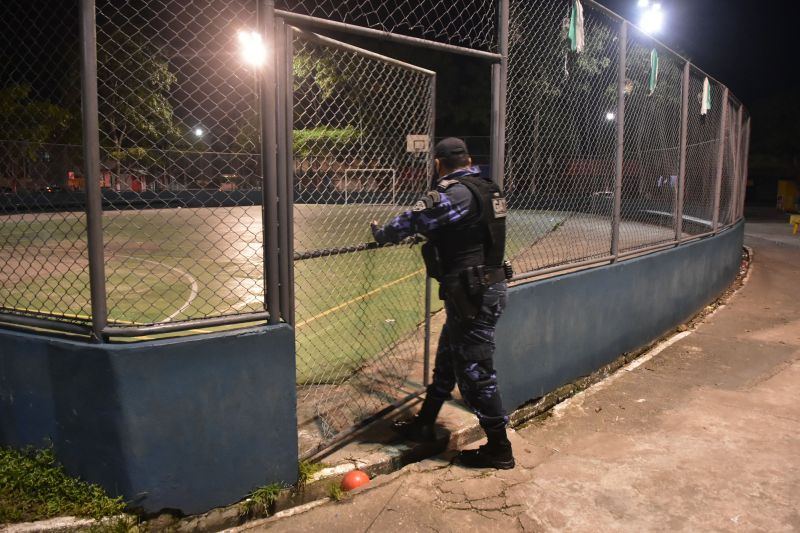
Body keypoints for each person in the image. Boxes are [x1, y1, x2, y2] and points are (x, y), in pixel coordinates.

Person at [370, 137, 514, 469]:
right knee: (449, 358)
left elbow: (415, 220)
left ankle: (499, 448)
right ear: (467, 159)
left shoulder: (458, 192)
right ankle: (425, 422)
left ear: (438, 163)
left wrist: (384, 234)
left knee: (476, 372)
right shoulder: (487, 187)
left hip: (473, 294)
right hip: (478, 289)